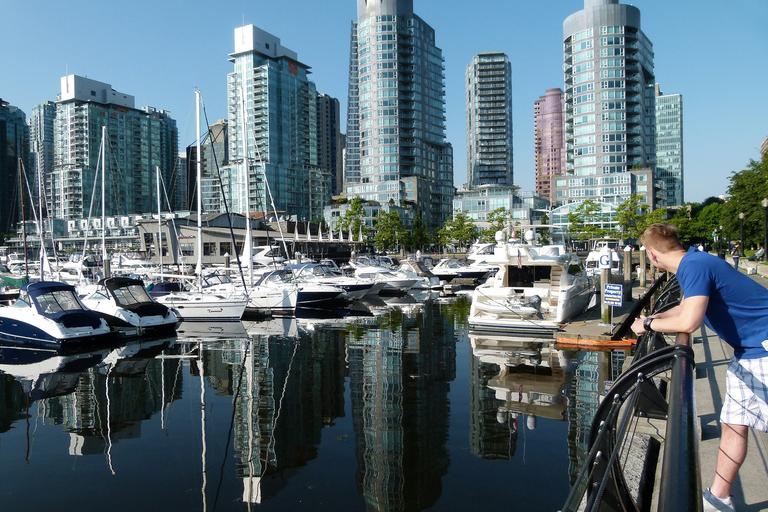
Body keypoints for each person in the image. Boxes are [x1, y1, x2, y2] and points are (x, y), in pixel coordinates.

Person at [631, 224, 768, 512]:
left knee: (736, 424)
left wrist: (648, 325)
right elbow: (684, 307)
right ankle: (720, 497)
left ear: (652, 254)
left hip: (762, 349)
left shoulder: (694, 266)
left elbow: (688, 322)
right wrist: (654, 318)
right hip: (748, 352)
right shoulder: (694, 262)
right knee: (734, 423)